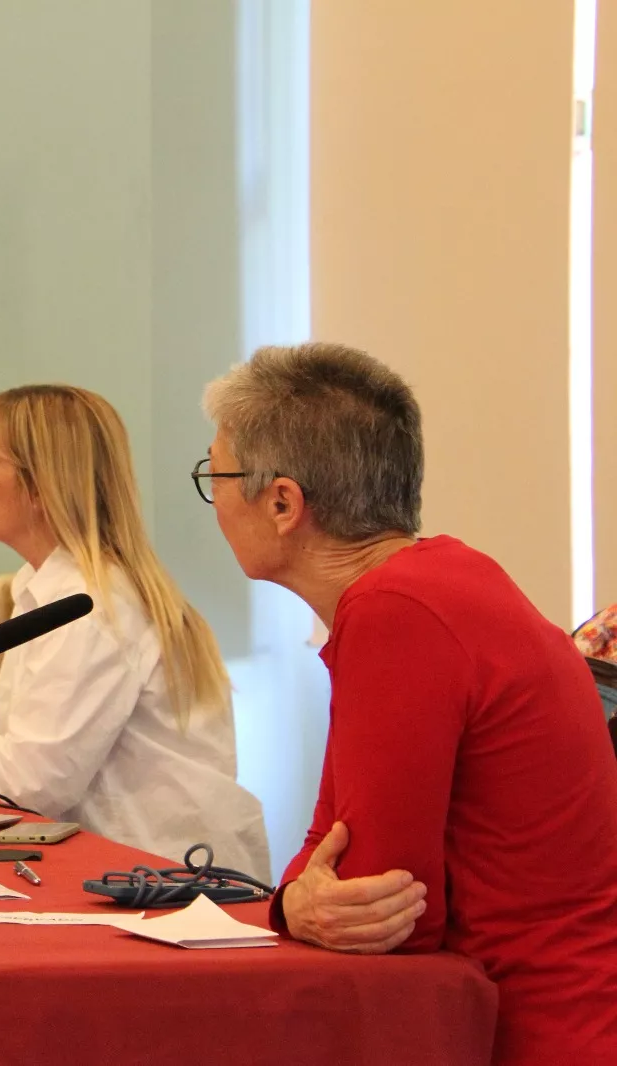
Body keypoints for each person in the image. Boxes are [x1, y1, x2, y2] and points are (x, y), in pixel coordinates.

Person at [199, 342, 617, 1062]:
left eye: (218, 475)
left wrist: (297, 900)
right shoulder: (439, 579)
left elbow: (381, 906)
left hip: (535, 1028)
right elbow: (330, 845)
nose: (214, 501)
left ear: (282, 502)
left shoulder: (399, 613)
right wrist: (297, 898)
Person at [0, 385, 270, 875]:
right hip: (133, 870)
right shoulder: (49, 587)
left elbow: (36, 781)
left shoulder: (94, 606)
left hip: (168, 885)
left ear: (41, 486)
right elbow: (44, 749)